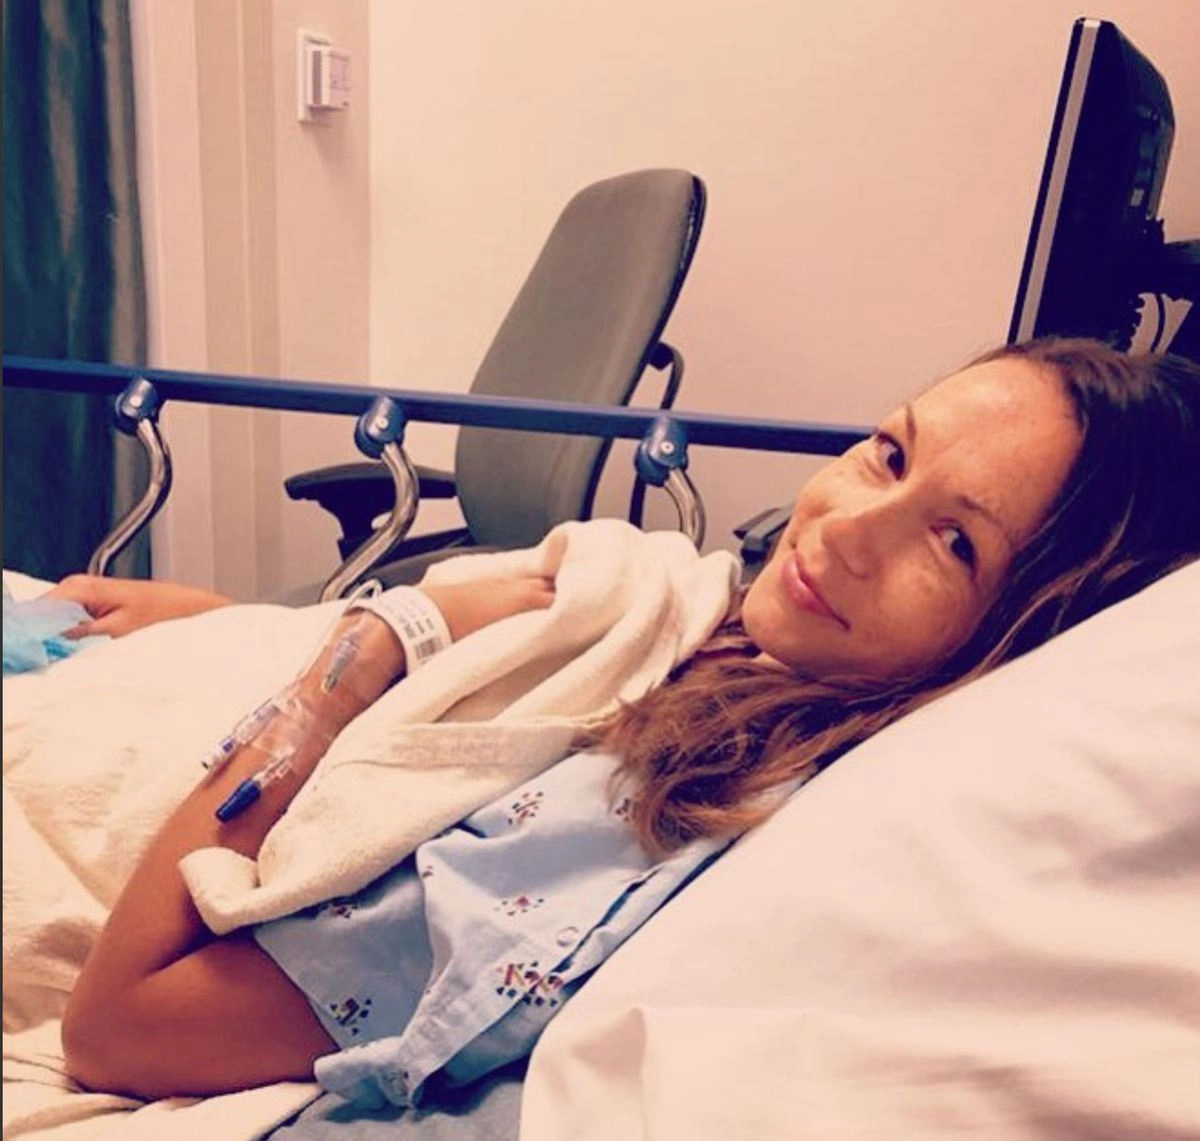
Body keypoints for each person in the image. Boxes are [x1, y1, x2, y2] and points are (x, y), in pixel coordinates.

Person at [53, 337, 1200, 1106]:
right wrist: (245, 626)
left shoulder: (630, 827)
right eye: (889, 453)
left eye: (954, 543)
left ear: (1030, 635)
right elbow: (500, 637)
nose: (847, 528)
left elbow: (119, 1030)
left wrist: (345, 670)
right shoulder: (705, 616)